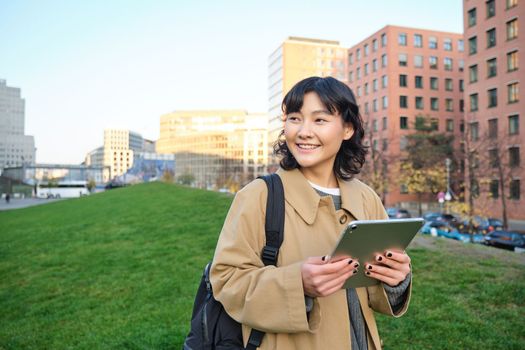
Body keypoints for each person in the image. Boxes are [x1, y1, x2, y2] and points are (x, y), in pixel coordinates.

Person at [210, 76, 412, 349]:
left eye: (319, 120)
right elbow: (226, 281)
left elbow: (374, 291)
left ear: (348, 129)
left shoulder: (366, 198)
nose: (303, 131)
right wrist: (297, 284)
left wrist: (396, 279)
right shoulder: (259, 195)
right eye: (294, 118)